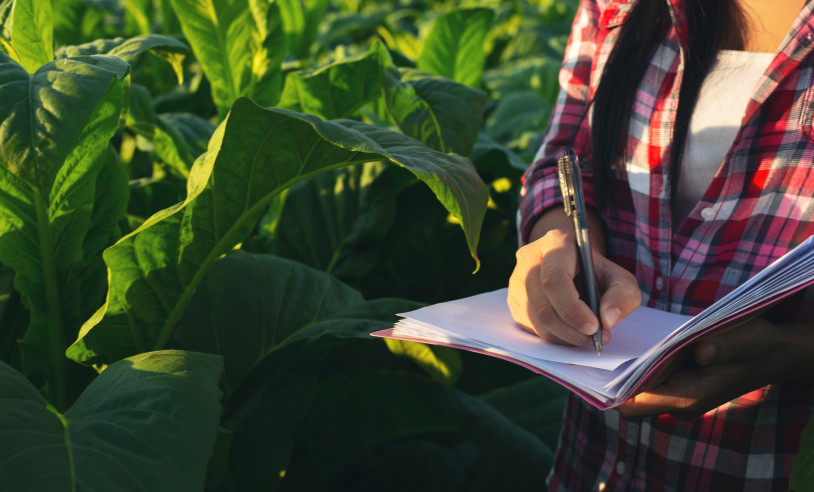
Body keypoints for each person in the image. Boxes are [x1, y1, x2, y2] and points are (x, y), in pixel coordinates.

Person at [507, 0, 814, 490]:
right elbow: (564, 161)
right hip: (591, 462)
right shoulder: (614, 7)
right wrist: (559, 240)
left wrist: (794, 351)